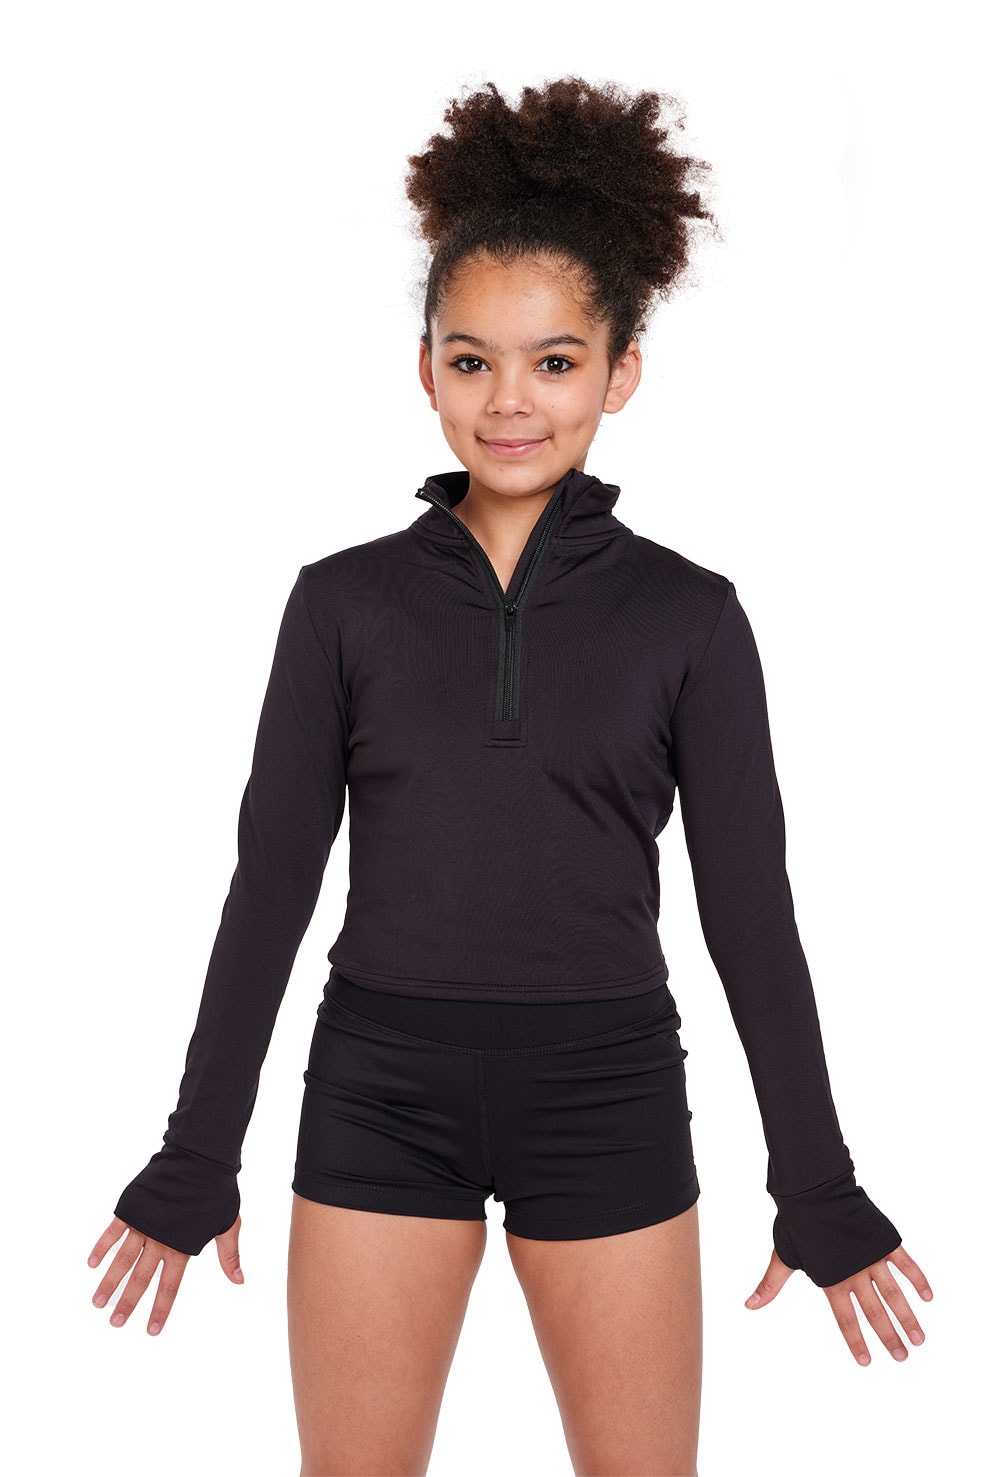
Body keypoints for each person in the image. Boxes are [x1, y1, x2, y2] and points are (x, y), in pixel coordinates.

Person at [88, 76, 931, 1476]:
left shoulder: (691, 618)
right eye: (472, 360)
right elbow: (270, 882)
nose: (510, 401)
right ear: (425, 368)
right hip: (378, 1090)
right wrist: (198, 1148)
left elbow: (750, 911)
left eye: (554, 361)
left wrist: (817, 1178)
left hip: (607, 1093)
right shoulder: (341, 605)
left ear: (621, 371)